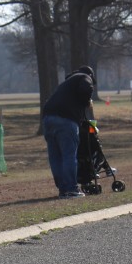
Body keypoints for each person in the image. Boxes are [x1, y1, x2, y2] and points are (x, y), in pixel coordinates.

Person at [41, 65, 95, 198]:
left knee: (55, 157)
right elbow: (86, 88)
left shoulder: (66, 83)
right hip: (66, 120)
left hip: (47, 118)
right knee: (69, 155)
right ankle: (71, 189)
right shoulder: (84, 77)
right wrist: (87, 101)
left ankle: (63, 189)